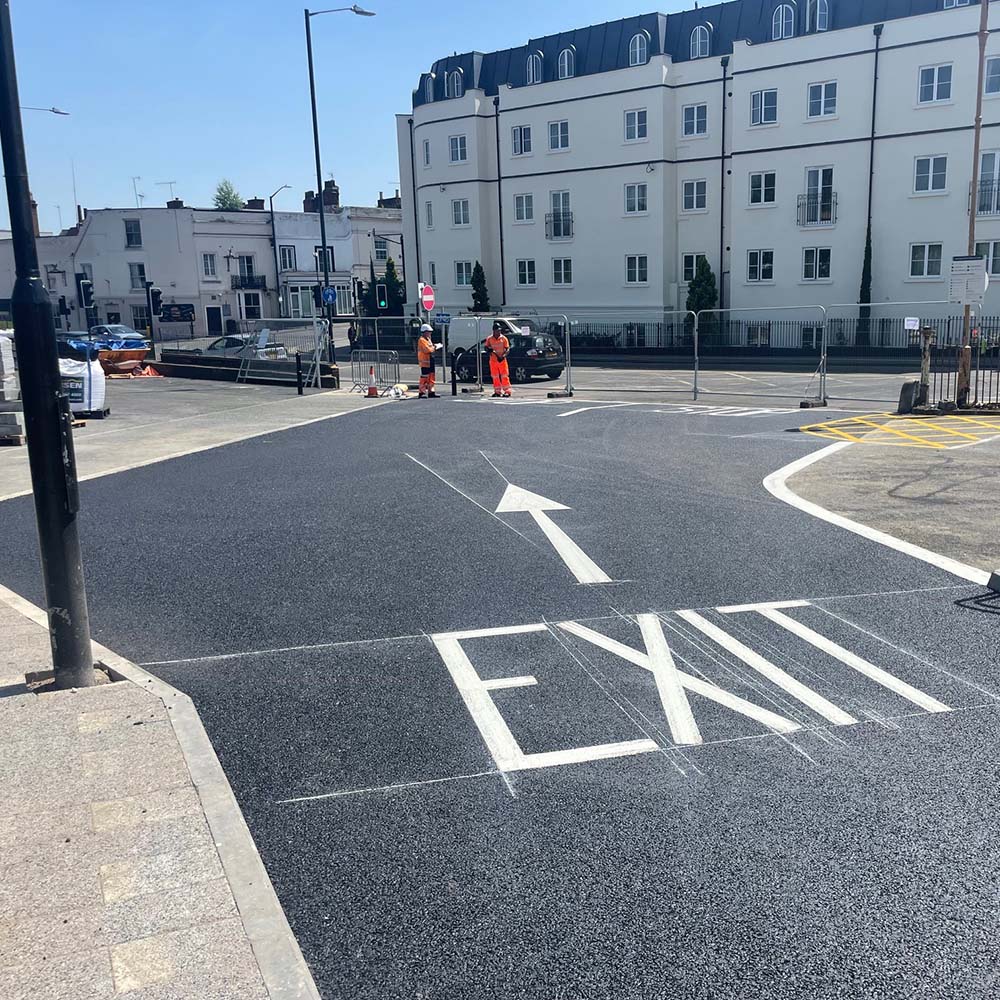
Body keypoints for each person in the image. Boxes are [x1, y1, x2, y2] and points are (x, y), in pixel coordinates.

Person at [485, 321, 511, 398]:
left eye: (499, 330)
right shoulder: (489, 339)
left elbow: (507, 349)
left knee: (504, 376)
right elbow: (486, 347)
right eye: (497, 330)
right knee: (495, 376)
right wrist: (488, 350)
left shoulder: (504, 338)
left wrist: (503, 356)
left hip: (502, 360)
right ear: (494, 331)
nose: (499, 332)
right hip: (493, 360)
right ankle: (497, 391)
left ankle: (507, 391)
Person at [416, 323, 442, 398]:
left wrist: (434, 346)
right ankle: (422, 392)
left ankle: (431, 391)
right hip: (425, 361)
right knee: (424, 377)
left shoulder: (428, 339)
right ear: (424, 332)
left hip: (430, 360)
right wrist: (435, 347)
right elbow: (427, 350)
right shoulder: (422, 340)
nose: (430, 333)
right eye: (429, 331)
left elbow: (430, 347)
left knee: (431, 377)